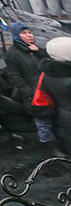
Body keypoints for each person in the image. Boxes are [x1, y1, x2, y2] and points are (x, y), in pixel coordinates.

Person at [4, 23, 57, 151]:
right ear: (17, 35)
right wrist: (30, 93)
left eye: (29, 32)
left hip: (49, 89)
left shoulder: (35, 49)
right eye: (24, 33)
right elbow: (15, 76)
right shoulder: (12, 54)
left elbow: (51, 63)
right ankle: (50, 146)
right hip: (34, 93)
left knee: (55, 116)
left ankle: (58, 139)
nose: (29, 35)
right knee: (42, 121)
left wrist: (39, 52)